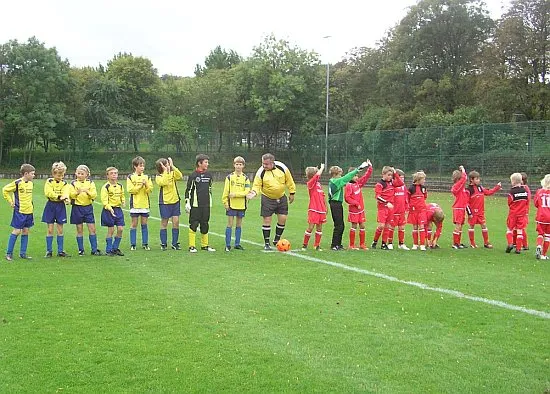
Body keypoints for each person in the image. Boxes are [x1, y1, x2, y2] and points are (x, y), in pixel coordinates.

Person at [247, 153, 296, 251]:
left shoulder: (282, 168)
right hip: (267, 198)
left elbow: (289, 180)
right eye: (263, 163)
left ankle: (277, 240)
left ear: (272, 163)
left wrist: (292, 192)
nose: (264, 166)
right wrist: (254, 192)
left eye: (266, 164)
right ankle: (266, 243)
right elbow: (257, 185)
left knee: (283, 218)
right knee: (267, 220)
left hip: (281, 197)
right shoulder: (260, 172)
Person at [328, 162, 368, 251]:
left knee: (341, 225)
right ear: (335, 174)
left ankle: (338, 244)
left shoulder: (333, 181)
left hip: (336, 204)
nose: (341, 176)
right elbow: (348, 177)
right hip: (335, 204)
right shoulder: (336, 181)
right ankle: (334, 245)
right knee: (339, 225)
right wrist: (359, 168)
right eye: (339, 174)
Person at [3, 163, 36, 261]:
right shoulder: (17, 183)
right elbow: (5, 190)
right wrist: (11, 201)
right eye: (32, 174)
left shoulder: (31, 183)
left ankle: (23, 253)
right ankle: (9, 253)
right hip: (20, 211)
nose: (34, 176)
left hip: (29, 211)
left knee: (26, 231)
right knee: (17, 231)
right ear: (26, 173)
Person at [185, 154, 215, 253]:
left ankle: (205, 245)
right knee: (194, 224)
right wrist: (187, 202)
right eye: (205, 162)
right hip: (195, 205)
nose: (207, 164)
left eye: (207, 162)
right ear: (199, 163)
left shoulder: (209, 175)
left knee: (205, 224)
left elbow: (210, 189)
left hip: (206, 205)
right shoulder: (193, 175)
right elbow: (188, 190)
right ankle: (192, 246)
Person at [69, 164, 101, 256]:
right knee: (79, 229)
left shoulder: (90, 183)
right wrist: (77, 192)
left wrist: (88, 192)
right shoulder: (73, 183)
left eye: (82, 173)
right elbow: (71, 194)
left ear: (87, 174)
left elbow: (94, 195)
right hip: (77, 208)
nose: (80, 175)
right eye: (78, 173)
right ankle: (81, 250)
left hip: (88, 208)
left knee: (92, 228)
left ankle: (94, 249)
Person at [222, 156, 251, 252]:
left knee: (239, 224)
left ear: (243, 166)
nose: (238, 166)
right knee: (230, 224)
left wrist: (235, 194)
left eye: (240, 164)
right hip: (231, 205)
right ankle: (227, 244)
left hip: (242, 205)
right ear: (234, 165)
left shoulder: (246, 178)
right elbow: (226, 191)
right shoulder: (229, 177)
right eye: (237, 164)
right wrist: (225, 202)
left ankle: (237, 244)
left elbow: (247, 191)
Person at [42, 161, 71, 258]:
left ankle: (60, 251)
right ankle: (49, 251)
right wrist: (59, 197)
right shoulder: (49, 182)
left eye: (62, 175)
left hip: (60, 207)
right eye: (59, 175)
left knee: (60, 229)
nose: (61, 177)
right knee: (50, 229)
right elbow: (48, 193)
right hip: (51, 206)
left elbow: (66, 193)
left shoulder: (65, 183)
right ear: (53, 173)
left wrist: (66, 199)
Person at [466, 170, 501, 248]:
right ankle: (472, 243)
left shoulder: (480, 188)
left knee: (484, 226)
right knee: (471, 226)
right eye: (477, 179)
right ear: (471, 179)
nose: (479, 180)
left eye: (479, 179)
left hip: (481, 212)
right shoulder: (469, 190)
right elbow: (466, 203)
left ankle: (486, 242)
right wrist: (469, 213)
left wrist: (497, 187)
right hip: (473, 213)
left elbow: (488, 192)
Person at [372, 166, 404, 250]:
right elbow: (377, 196)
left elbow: (401, 183)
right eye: (388, 175)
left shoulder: (392, 182)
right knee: (381, 226)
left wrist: (395, 173)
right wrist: (386, 202)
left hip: (390, 208)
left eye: (391, 175)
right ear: (383, 174)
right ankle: (374, 241)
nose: (390, 177)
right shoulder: (380, 184)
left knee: (387, 226)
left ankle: (383, 244)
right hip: (383, 208)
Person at [155, 157, 183, 251]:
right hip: (165, 202)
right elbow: (164, 182)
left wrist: (173, 166)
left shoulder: (172, 173)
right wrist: (166, 172)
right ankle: (163, 243)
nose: (168, 166)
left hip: (175, 201)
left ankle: (175, 243)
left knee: (176, 222)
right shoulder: (159, 177)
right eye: (166, 164)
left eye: (168, 164)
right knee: (164, 222)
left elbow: (180, 176)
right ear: (161, 167)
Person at [344, 160, 373, 250]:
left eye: (357, 175)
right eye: (354, 175)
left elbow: (365, 177)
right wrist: (356, 203)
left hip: (361, 210)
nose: (356, 177)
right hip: (354, 210)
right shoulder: (349, 186)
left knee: (362, 226)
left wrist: (370, 168)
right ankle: (351, 245)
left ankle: (362, 244)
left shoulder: (358, 184)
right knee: (354, 226)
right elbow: (347, 198)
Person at [127, 156, 153, 251]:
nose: (142, 168)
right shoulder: (130, 177)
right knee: (134, 223)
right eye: (140, 166)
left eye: (143, 166)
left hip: (144, 204)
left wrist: (146, 184)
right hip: (135, 204)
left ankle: (145, 243)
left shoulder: (147, 177)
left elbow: (150, 190)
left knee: (144, 224)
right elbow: (130, 190)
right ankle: (133, 244)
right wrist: (139, 186)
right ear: (135, 166)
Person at [101, 167, 125, 256]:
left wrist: (123, 201)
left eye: (115, 173)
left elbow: (122, 195)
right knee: (111, 230)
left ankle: (115, 248)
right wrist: (109, 208)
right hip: (109, 210)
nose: (114, 175)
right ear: (107, 175)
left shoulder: (120, 185)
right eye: (112, 173)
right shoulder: (106, 187)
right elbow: (104, 201)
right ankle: (108, 249)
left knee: (120, 229)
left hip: (118, 209)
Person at [302, 163, 326, 251]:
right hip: (314, 209)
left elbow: (323, 196)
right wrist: (322, 167)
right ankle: (305, 244)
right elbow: (317, 175)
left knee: (319, 227)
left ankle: (317, 245)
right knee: (311, 227)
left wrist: (325, 207)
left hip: (321, 209)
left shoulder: (319, 184)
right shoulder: (310, 183)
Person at [506, 172, 529, 254]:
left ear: (513, 182)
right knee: (520, 230)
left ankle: (510, 244)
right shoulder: (525, 191)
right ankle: (518, 248)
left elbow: (509, 202)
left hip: (513, 214)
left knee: (509, 229)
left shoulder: (511, 192)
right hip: (522, 214)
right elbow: (527, 201)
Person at [388, 169, 409, 250]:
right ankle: (390, 243)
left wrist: (407, 207)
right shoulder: (392, 186)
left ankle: (401, 244)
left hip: (402, 211)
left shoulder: (403, 186)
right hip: (394, 211)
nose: (402, 179)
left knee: (402, 227)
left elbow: (405, 198)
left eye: (403, 178)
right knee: (392, 227)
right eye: (400, 177)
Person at [407, 171, 428, 251]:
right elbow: (408, 198)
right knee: (415, 227)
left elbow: (425, 197)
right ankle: (415, 244)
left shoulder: (423, 188)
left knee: (422, 226)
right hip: (413, 211)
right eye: (423, 179)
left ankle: (422, 244)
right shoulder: (411, 188)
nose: (424, 181)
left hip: (422, 210)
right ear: (418, 179)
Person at [451, 165, 470, 249]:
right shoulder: (456, 186)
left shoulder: (460, 186)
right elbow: (464, 178)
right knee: (458, 225)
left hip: (461, 208)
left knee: (461, 225)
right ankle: (455, 243)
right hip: (458, 208)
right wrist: (463, 170)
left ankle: (458, 243)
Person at [533, 174, 550, 260]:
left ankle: (539, 246)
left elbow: (536, 203)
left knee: (540, 234)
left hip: (541, 217)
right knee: (547, 236)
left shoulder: (539, 191)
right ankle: (543, 254)